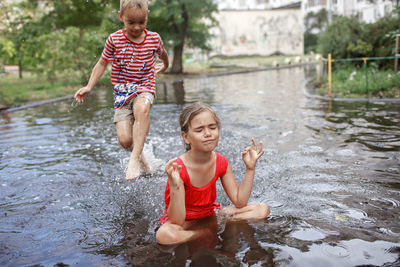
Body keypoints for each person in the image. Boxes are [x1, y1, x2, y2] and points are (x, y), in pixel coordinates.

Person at [74, 0, 169, 180]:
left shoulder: (154, 39)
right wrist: (89, 86)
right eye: (131, 22)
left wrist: (164, 65)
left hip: (144, 87)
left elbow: (162, 53)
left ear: (147, 16)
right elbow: (102, 63)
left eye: (142, 22)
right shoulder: (115, 39)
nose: (136, 27)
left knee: (142, 108)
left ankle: (133, 161)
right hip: (122, 93)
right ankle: (143, 161)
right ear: (121, 17)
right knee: (125, 140)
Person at [156, 102, 270, 245]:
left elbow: (240, 201)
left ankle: (208, 226)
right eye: (199, 130)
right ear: (186, 137)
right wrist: (175, 185)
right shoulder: (178, 169)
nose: (208, 133)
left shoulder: (221, 162)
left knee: (262, 210)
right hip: (185, 222)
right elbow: (177, 220)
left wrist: (250, 169)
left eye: (212, 127)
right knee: (165, 236)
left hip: (211, 214)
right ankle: (201, 232)